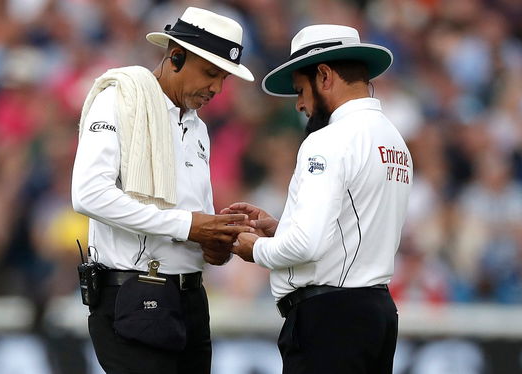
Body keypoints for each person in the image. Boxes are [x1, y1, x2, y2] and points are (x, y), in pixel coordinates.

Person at [71, 7, 254, 374]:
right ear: (175, 56)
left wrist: (216, 241)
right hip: (135, 294)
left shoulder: (198, 128)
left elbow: (194, 220)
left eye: (223, 78)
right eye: (210, 73)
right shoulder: (119, 100)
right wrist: (189, 226)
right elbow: (88, 194)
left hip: (190, 300)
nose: (217, 88)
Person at [226, 25, 413, 373]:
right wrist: (282, 230)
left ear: (324, 76)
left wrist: (256, 249)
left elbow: (306, 246)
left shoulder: (328, 140)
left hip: (330, 320)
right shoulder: (395, 141)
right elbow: (348, 234)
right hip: (376, 312)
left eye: (300, 90)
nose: (299, 104)